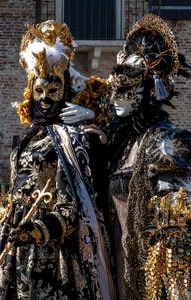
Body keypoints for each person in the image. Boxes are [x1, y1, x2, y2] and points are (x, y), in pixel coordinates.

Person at [0, 20, 115, 299]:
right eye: (39, 92)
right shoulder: (29, 138)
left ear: (65, 90)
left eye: (53, 91)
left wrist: (36, 231)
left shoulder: (71, 140)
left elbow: (73, 206)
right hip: (12, 248)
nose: (45, 99)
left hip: (49, 252)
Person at [105, 14, 191, 300]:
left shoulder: (166, 143)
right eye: (114, 89)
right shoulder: (121, 143)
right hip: (117, 267)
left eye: (127, 89)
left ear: (150, 91)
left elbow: (178, 222)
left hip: (153, 275)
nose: (117, 97)